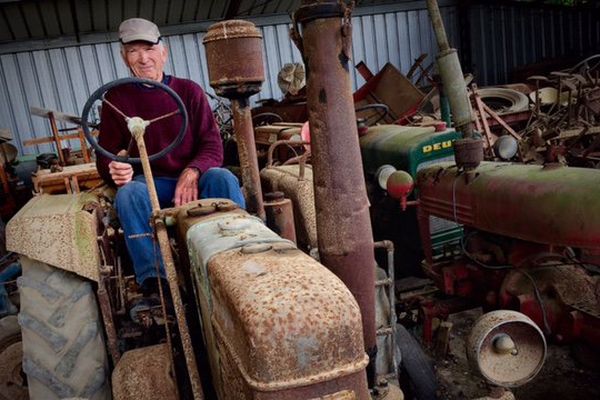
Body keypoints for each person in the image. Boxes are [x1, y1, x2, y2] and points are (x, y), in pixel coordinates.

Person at [96, 18, 245, 297]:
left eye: (149, 49)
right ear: (124, 57)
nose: (143, 58)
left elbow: (213, 146)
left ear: (163, 52)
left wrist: (193, 171)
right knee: (128, 195)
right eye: (133, 51)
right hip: (151, 185)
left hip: (194, 181)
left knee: (222, 177)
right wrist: (115, 166)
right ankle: (156, 284)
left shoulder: (189, 91)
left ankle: (240, 255)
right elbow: (105, 156)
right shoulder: (115, 99)